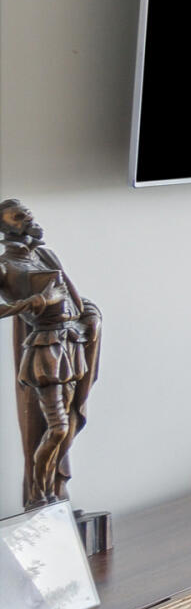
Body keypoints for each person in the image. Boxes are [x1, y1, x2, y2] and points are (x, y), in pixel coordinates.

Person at [1, 200, 101, 511]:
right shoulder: (5, 266)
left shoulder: (44, 254)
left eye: (27, 211)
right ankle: (38, 497)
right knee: (55, 427)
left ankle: (54, 494)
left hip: (71, 345)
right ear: (5, 228)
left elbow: (72, 298)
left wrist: (90, 315)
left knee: (67, 425)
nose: (28, 217)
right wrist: (34, 303)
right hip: (45, 353)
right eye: (18, 216)